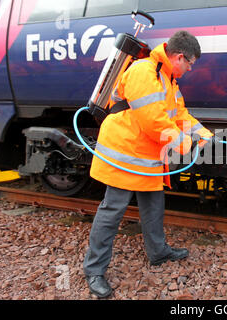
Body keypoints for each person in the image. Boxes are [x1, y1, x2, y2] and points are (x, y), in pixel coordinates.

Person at [83, 31, 213, 298]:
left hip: (147, 155)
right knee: (113, 210)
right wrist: (185, 144)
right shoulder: (145, 72)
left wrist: (205, 137)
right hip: (125, 153)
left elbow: (180, 116)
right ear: (179, 57)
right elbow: (154, 121)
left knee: (153, 204)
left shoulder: (167, 79)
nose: (190, 69)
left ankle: (158, 252)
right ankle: (94, 270)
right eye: (190, 63)